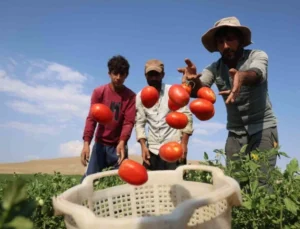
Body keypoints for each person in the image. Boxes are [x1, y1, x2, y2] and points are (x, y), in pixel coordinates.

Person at [178, 16, 278, 186]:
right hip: (235, 131)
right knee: (234, 183)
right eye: (220, 42)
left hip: (263, 127)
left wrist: (241, 76)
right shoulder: (214, 68)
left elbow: (257, 74)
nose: (225, 45)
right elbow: (200, 90)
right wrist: (192, 81)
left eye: (230, 39)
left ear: (240, 40)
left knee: (263, 183)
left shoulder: (257, 55)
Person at [80, 55, 136, 181]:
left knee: (118, 181)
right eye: (115, 74)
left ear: (126, 75)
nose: (118, 78)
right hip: (100, 144)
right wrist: (86, 143)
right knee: (90, 180)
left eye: (122, 74)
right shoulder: (99, 92)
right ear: (109, 73)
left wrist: (122, 142)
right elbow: (92, 118)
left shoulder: (131, 96)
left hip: (118, 146)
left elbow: (129, 122)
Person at [135, 59, 194, 171]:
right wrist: (143, 146)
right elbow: (139, 123)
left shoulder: (172, 92)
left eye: (156, 74)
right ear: (145, 76)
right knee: (150, 185)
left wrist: (184, 144)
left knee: (175, 185)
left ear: (163, 75)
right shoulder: (140, 96)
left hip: (173, 149)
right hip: (152, 150)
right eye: (150, 75)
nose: (153, 78)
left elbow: (186, 116)